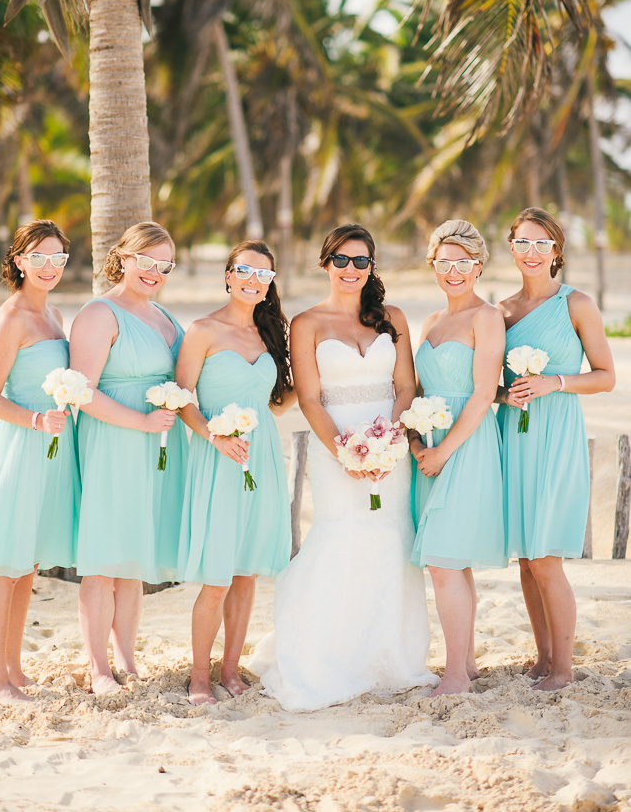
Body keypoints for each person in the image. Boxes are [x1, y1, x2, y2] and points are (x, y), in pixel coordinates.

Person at [250, 224, 437, 711]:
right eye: (341, 260)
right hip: (337, 447)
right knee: (341, 535)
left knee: (392, 538)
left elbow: (404, 388)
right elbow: (309, 398)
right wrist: (346, 452)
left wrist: (391, 442)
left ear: (371, 267)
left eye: (361, 261)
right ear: (325, 264)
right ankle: (325, 653)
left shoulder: (391, 317)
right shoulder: (307, 323)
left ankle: (388, 654)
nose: (350, 270)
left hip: (391, 447)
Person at [0, 219, 79, 705]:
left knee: (27, 564)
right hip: (21, 446)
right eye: (39, 257)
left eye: (58, 258)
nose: (49, 267)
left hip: (50, 449)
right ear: (20, 261)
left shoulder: (54, 315)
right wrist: (34, 420)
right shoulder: (12, 317)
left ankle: (15, 668)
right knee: (5, 563)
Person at [497, 207, 615, 691]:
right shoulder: (499, 312)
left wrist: (555, 382)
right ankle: (543, 657)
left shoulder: (576, 304)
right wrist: (506, 394)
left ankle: (564, 669)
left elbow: (606, 377)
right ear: (510, 248)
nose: (532, 252)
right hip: (513, 436)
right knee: (526, 557)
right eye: (523, 242)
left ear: (556, 252)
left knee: (547, 556)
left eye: (541, 243)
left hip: (557, 434)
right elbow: (490, 381)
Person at [69, 222, 188, 695]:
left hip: (156, 447)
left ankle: (127, 660)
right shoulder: (100, 313)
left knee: (132, 560)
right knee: (103, 559)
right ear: (124, 258)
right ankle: (98, 669)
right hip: (114, 443)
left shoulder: (162, 314)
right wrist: (140, 422)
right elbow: (81, 392)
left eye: (166, 266)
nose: (155, 272)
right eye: (147, 261)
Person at [175, 241, 295, 706]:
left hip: (261, 456)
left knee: (246, 574)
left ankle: (230, 669)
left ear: (270, 283)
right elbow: (181, 397)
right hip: (217, 457)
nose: (253, 279)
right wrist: (214, 437)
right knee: (218, 574)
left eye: (263, 274)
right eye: (244, 270)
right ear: (228, 275)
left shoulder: (271, 337)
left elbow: (279, 403)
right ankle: (200, 677)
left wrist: (310, 383)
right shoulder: (202, 329)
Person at [408, 220, 507, 696]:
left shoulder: (485, 318)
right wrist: (416, 444)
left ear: (478, 266)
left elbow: (485, 393)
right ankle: (464, 664)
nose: (454, 270)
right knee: (451, 561)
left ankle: (452, 677)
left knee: (445, 560)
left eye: (463, 262)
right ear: (433, 265)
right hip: (430, 445)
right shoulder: (430, 323)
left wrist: (445, 451)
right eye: (444, 261)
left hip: (465, 445)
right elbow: (418, 390)